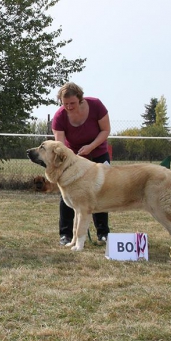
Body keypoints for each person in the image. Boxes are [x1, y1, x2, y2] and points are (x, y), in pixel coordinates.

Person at [52, 82, 111, 246]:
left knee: (100, 192)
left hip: (98, 153)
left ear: (80, 99)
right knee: (68, 193)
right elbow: (60, 147)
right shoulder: (59, 117)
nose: (69, 107)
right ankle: (66, 234)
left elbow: (106, 130)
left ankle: (103, 233)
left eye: (72, 103)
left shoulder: (96, 105)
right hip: (74, 158)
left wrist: (91, 146)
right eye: (65, 104)